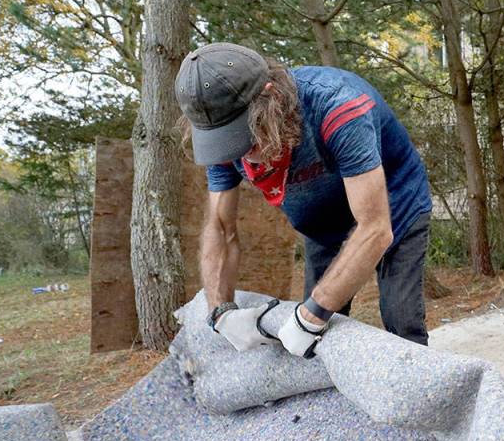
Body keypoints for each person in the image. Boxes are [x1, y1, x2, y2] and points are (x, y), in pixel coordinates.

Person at [175, 42, 432, 357]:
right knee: (313, 342)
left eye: (248, 139)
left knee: (401, 319)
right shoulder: (226, 135)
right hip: (323, 220)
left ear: (273, 98)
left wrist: (312, 315)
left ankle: (421, 395)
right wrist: (221, 311)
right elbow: (219, 226)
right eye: (229, 144)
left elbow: (375, 229)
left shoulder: (338, 107)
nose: (243, 157)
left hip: (393, 207)